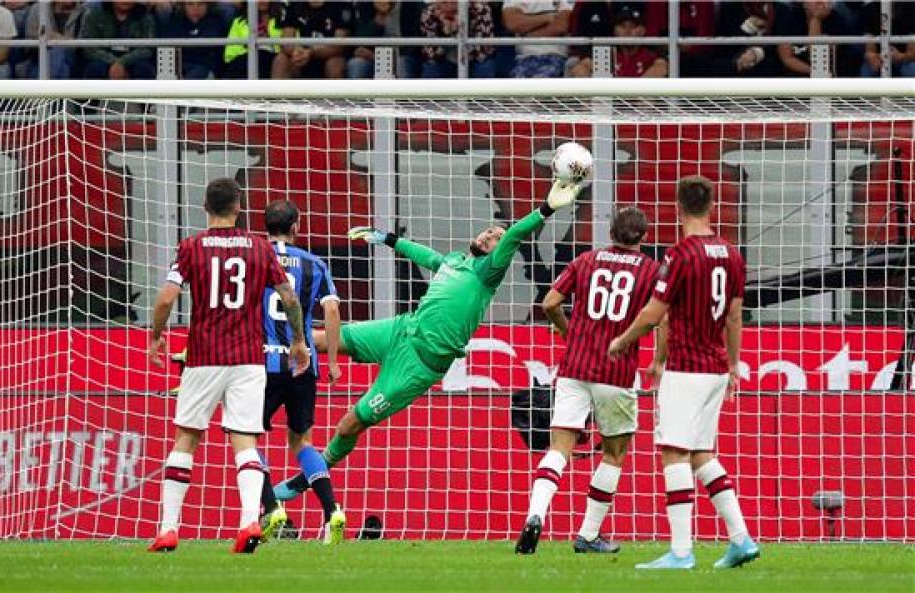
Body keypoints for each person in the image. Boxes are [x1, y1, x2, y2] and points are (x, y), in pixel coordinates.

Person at [272, 179, 584, 501]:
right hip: (401, 330)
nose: (489, 235)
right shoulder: (455, 261)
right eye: (489, 231)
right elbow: (428, 258)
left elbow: (515, 235)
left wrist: (546, 209)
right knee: (318, 340)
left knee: (350, 424)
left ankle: (307, 479)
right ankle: (266, 366)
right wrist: (387, 238)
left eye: (496, 238)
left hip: (418, 365)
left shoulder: (488, 272)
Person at [146, 178, 309, 554]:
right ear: (239, 207)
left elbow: (167, 298)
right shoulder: (260, 247)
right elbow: (288, 297)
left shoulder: (191, 247)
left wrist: (156, 335)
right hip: (248, 360)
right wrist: (298, 340)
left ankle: (169, 529)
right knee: (245, 441)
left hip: (203, 358)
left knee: (186, 438)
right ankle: (249, 522)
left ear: (205, 207)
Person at [608, 176, 759, 570]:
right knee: (701, 453)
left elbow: (655, 313)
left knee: (674, 451)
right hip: (716, 369)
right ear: (712, 207)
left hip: (687, 368)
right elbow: (735, 316)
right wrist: (733, 365)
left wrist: (623, 340)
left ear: (677, 208)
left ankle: (680, 551)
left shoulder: (679, 256)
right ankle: (741, 539)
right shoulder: (732, 254)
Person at [515, 207, 659, 555]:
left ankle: (536, 515)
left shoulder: (586, 261)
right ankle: (589, 534)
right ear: (644, 236)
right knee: (614, 453)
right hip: (616, 371)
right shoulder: (652, 270)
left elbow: (550, 302)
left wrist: (570, 333)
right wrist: (657, 357)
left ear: (610, 233)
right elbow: (659, 316)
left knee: (558, 449)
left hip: (574, 368)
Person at [257, 200, 347, 545]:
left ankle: (271, 508)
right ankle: (332, 510)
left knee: (246, 437)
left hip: (261, 364)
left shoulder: (255, 258)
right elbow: (332, 311)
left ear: (265, 226)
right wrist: (334, 361)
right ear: (296, 226)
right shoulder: (314, 263)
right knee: (302, 442)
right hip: (303, 364)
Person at [271, 0, 351, 79]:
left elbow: (339, 45)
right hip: (303, 55)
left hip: (329, 55)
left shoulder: (341, 5)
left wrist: (311, 52)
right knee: (281, 60)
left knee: (335, 64)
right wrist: (296, 51)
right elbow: (287, 41)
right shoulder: (295, 4)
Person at [78, 0, 156, 80]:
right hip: (103, 58)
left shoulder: (145, 15)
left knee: (144, 69)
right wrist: (114, 62)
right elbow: (89, 47)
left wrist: (122, 62)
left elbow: (148, 48)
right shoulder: (94, 13)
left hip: (134, 59)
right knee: (95, 68)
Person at [419, 0, 496, 78]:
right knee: (431, 68)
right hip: (444, 59)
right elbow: (430, 55)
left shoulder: (480, 9)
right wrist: (447, 34)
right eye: (444, 2)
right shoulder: (430, 13)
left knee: (484, 66)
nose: (449, 2)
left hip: (473, 59)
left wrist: (461, 29)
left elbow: (484, 50)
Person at [501, 0, 572, 78]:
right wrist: (547, 17)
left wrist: (528, 33)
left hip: (556, 57)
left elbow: (560, 26)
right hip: (523, 59)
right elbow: (513, 24)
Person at [162, 1, 228, 79]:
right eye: (190, 4)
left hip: (206, 68)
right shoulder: (176, 21)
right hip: (180, 67)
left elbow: (212, 50)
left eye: (201, 4)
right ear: (183, 6)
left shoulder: (216, 22)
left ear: (208, 5)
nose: (195, 8)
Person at [20, 1, 83, 79]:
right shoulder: (39, 8)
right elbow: (29, 39)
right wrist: (45, 39)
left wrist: (58, 39)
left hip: (72, 57)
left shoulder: (84, 10)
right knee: (64, 68)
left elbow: (82, 44)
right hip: (39, 57)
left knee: (58, 50)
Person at [347, 0, 400, 79]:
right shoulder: (364, 8)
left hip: (398, 58)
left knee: (402, 65)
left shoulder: (405, 8)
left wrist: (381, 59)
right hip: (372, 59)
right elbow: (360, 46)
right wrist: (379, 18)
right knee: (356, 64)